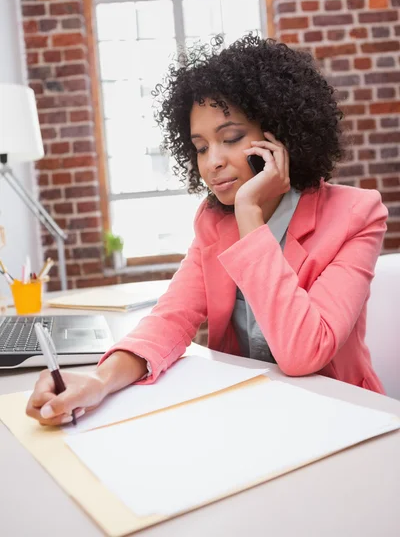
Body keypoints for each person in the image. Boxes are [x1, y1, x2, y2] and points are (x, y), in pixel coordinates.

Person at [27, 34, 387, 426]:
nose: (211, 162)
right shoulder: (213, 221)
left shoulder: (356, 215)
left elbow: (303, 354)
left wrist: (249, 214)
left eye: (230, 138)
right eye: (200, 147)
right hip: (252, 413)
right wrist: (98, 380)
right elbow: (172, 318)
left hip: (344, 416)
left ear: (281, 134)